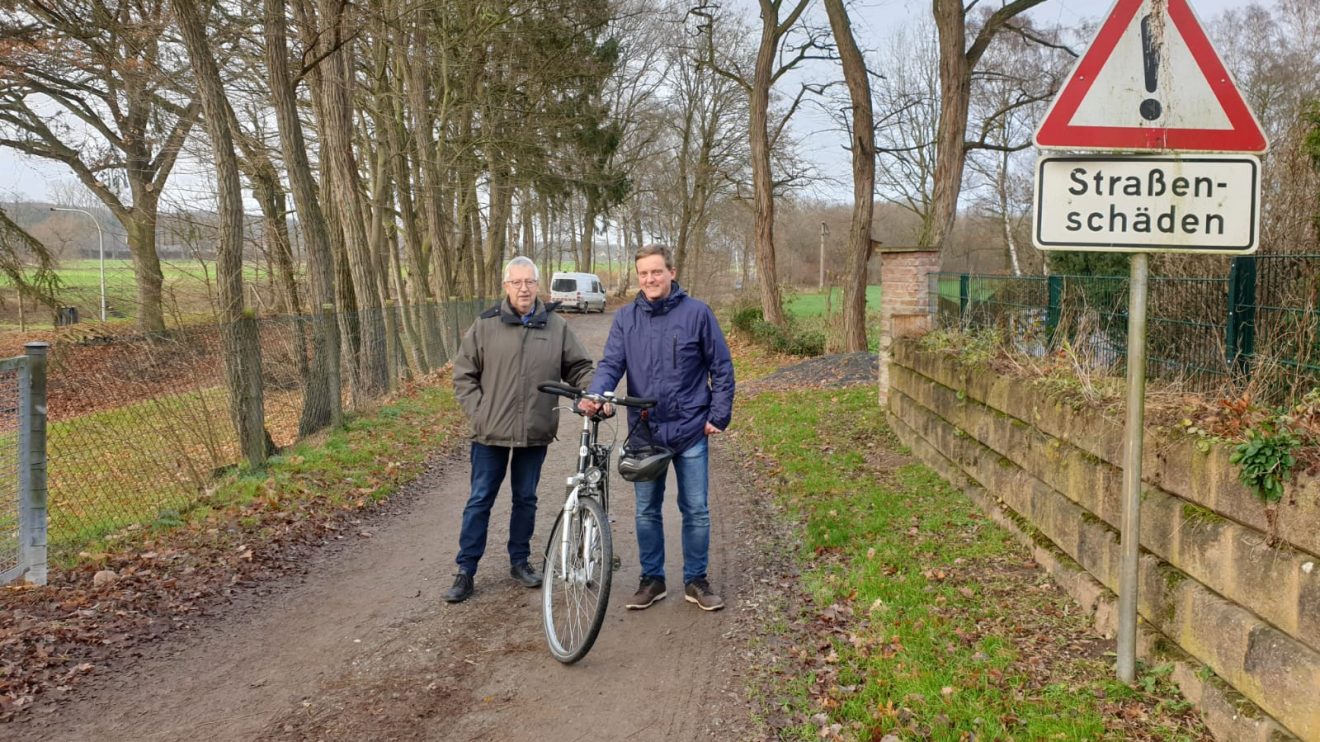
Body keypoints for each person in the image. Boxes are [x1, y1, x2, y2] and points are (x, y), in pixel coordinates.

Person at [581, 245, 734, 612]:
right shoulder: (626, 319)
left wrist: (718, 415)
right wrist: (597, 394)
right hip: (645, 432)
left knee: (695, 509)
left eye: (656, 272)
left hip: (691, 429)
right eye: (644, 274)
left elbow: (722, 368)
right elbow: (611, 364)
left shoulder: (697, 314)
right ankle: (653, 579)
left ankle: (695, 579)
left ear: (671, 272)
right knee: (646, 511)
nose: (650, 279)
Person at [445, 256, 595, 603]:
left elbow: (580, 367)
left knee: (525, 499)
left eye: (529, 282)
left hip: (534, 431)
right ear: (506, 286)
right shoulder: (485, 326)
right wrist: (479, 412)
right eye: (517, 282)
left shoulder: (555, 326)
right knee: (480, 500)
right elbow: (463, 374)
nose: (524, 288)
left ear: (537, 285)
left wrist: (589, 390)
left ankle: (520, 561)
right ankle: (466, 570)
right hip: (490, 433)